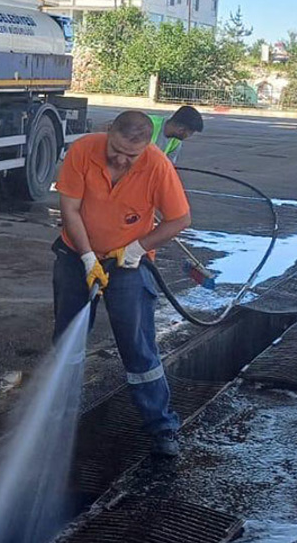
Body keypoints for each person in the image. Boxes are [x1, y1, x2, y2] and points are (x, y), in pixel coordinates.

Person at [53, 111, 192, 457]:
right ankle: (62, 416)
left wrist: (137, 248)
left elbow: (180, 219)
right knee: (68, 341)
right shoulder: (84, 150)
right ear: (108, 133)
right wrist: (87, 257)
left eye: (131, 155)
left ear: (145, 148)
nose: (120, 158)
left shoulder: (157, 166)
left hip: (127, 263)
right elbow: (69, 209)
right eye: (115, 149)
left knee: (137, 344)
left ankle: (161, 426)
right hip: (75, 256)